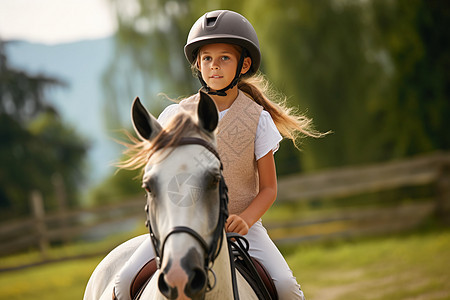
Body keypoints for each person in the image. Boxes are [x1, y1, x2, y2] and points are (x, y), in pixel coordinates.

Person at [114, 9, 322, 300]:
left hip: (243, 228)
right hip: (181, 224)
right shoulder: (174, 115)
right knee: (122, 284)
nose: (214, 66)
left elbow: (269, 188)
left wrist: (246, 219)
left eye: (224, 58)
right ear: (198, 63)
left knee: (287, 288)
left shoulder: (258, 119)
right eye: (207, 58)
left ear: (243, 64)